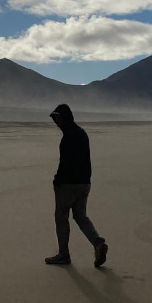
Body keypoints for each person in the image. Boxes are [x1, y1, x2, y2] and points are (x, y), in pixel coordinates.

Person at [45, 104, 108, 267]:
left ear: (64, 118)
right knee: (80, 216)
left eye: (57, 118)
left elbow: (65, 163)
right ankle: (98, 243)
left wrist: (57, 181)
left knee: (61, 217)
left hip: (68, 184)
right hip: (84, 183)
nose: (56, 122)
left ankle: (63, 254)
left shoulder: (68, 137)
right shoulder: (81, 133)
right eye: (54, 119)